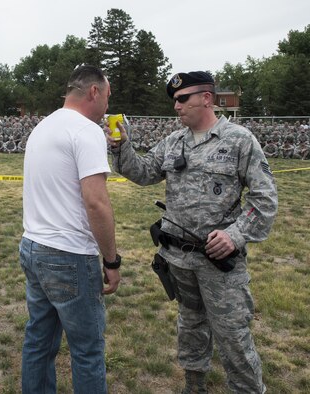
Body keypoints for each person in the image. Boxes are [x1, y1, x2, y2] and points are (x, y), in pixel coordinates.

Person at [108, 71, 278, 394]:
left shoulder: (239, 141)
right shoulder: (174, 142)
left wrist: (236, 235)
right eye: (174, 100)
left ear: (206, 98)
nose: (176, 106)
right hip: (178, 260)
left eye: (182, 98)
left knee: (232, 336)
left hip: (219, 263)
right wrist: (122, 146)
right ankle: (194, 386)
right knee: (190, 325)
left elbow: (265, 198)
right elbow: (143, 172)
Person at [19, 65, 121, 394]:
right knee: (87, 350)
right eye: (107, 95)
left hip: (33, 245)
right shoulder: (86, 130)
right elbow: (97, 204)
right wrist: (111, 260)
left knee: (39, 342)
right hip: (68, 254)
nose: (107, 104)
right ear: (94, 92)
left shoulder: (43, 127)